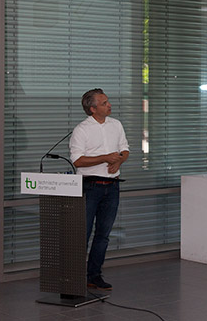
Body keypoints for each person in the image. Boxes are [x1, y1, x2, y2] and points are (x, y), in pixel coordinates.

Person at [69, 88, 129, 291]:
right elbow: (77, 160)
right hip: (90, 187)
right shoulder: (82, 130)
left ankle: (94, 276)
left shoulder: (116, 124)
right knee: (82, 235)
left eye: (107, 101)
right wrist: (104, 158)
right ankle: (74, 278)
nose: (109, 105)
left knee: (103, 235)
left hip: (112, 186)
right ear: (93, 109)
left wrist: (118, 161)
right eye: (104, 103)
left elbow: (125, 149)